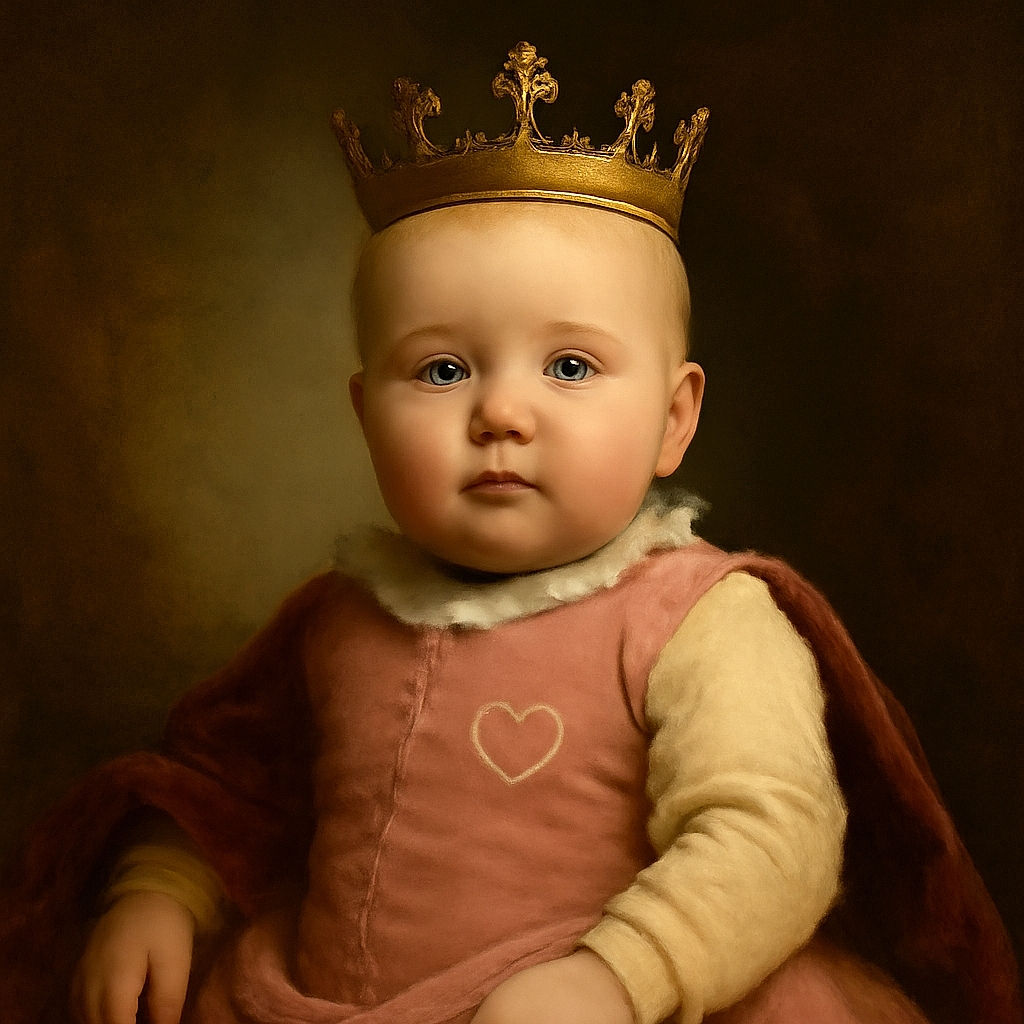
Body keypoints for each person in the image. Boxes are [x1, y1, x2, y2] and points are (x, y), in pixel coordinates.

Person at [1, 41, 1019, 1024]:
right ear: (365, 415)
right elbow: (233, 792)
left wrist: (618, 977)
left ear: (673, 419)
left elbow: (770, 833)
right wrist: (160, 891)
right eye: (441, 370)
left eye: (569, 367)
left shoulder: (700, 618)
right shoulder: (336, 618)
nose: (500, 413)